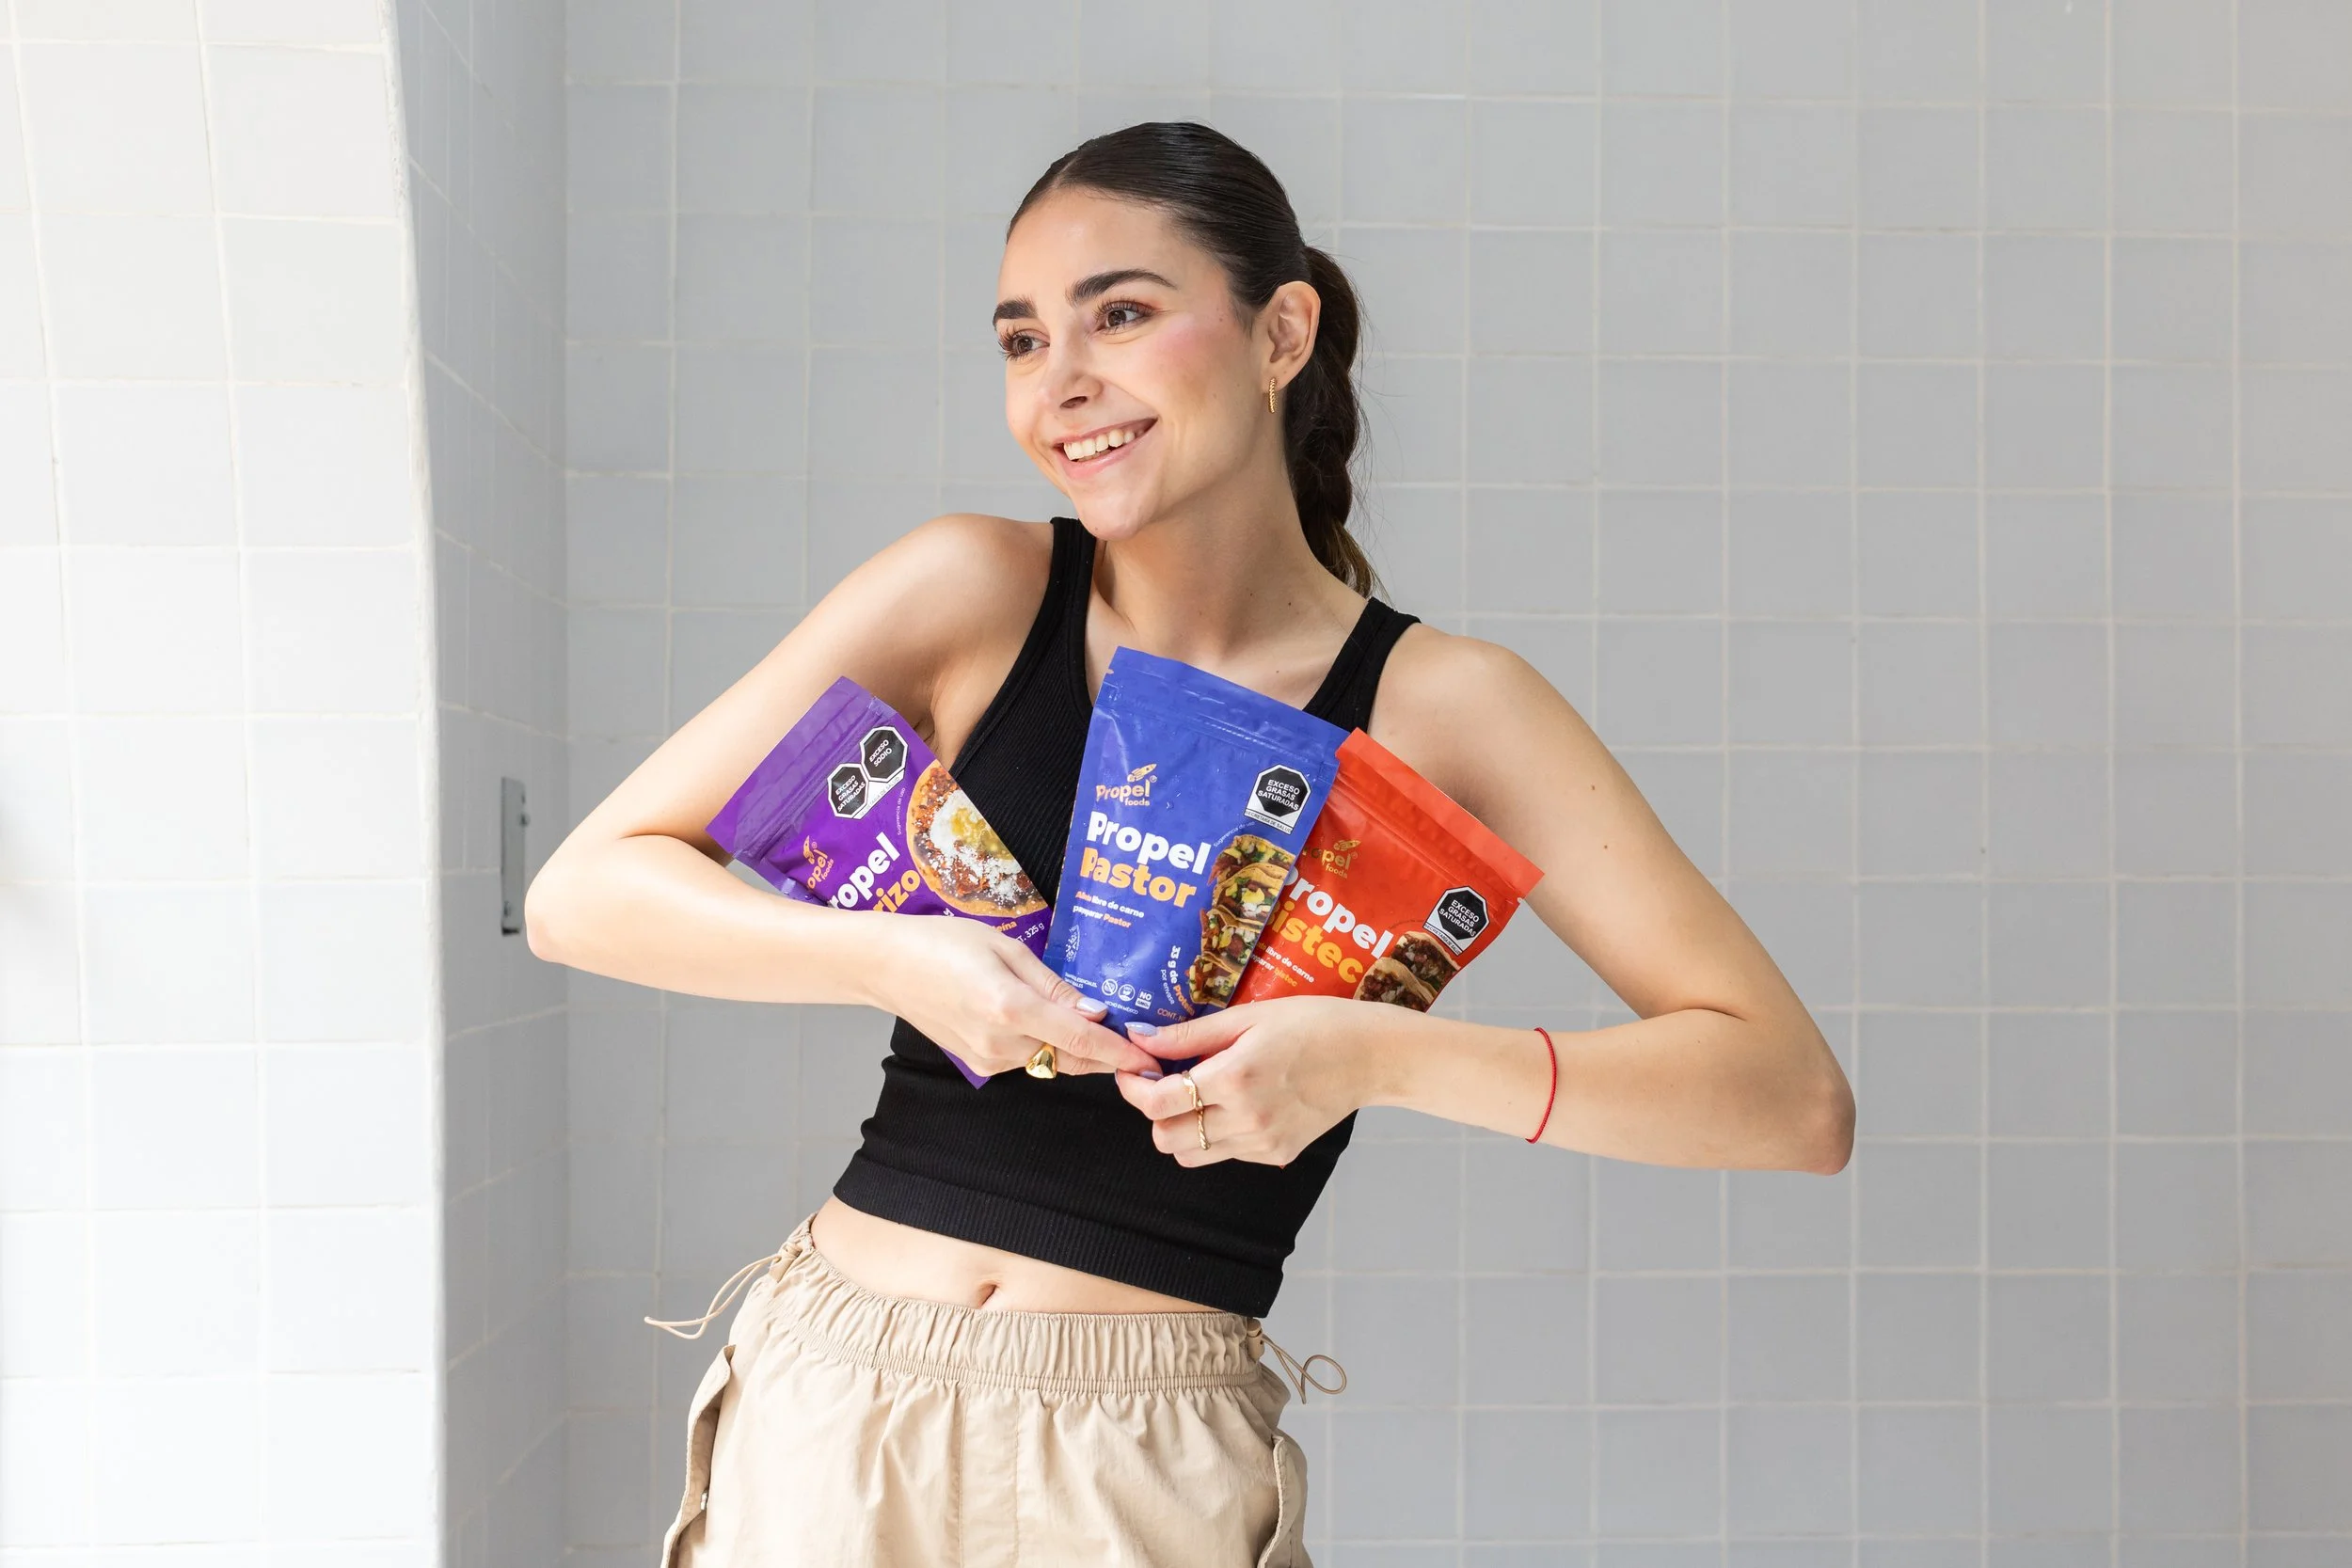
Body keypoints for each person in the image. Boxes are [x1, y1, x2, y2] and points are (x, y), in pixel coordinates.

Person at [527, 120, 1852, 1568]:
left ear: (1284, 332)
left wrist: (1371, 1056)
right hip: (834, 1405)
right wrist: (894, 957)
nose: (1063, 382)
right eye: (1022, 340)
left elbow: (1789, 1099)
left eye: (1123, 313)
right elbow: (585, 890)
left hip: (1142, 1459)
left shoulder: (1451, 708)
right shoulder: (973, 591)